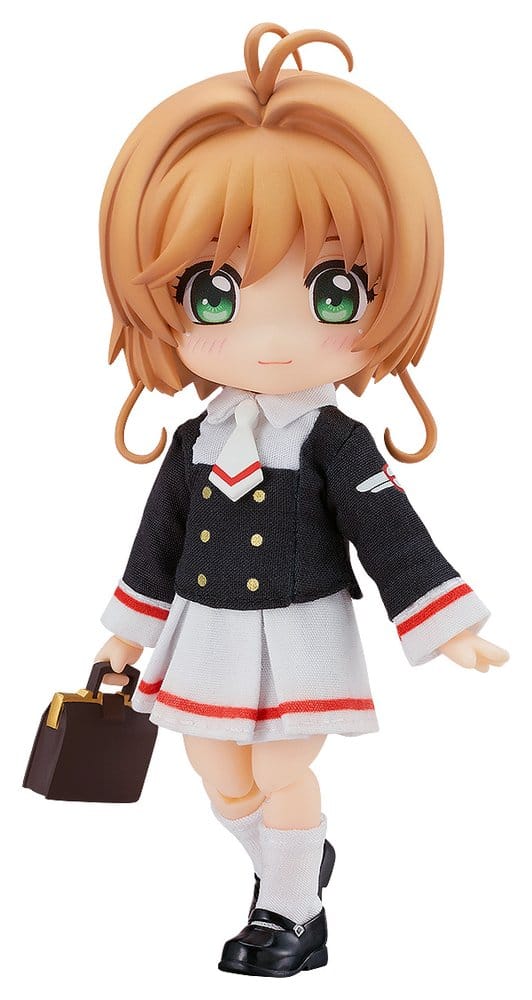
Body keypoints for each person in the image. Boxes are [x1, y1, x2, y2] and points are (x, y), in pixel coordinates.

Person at [95, 22, 508, 977]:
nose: (271, 335)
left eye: (333, 291)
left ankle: (290, 915)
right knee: (215, 772)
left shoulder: (332, 440)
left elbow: (390, 531)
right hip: (206, 630)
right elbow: (157, 541)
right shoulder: (199, 442)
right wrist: (126, 634)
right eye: (214, 292)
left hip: (301, 630)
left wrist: (448, 623)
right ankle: (296, 860)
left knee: (285, 768)